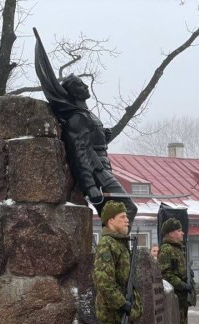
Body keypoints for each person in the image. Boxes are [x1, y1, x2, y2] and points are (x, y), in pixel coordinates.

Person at [34, 31, 137, 228]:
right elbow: (79, 152)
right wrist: (89, 185)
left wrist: (103, 136)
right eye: (80, 85)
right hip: (97, 171)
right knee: (127, 210)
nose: (86, 87)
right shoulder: (77, 118)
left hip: (104, 168)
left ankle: (113, 244)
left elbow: (93, 142)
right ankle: (112, 243)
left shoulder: (86, 115)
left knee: (114, 215)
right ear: (73, 92)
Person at [158, 218, 196, 324]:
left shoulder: (178, 249)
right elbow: (165, 274)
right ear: (170, 233)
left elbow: (179, 270)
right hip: (175, 298)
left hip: (182, 298)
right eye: (179, 230)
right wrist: (182, 285)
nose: (182, 233)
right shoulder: (166, 249)